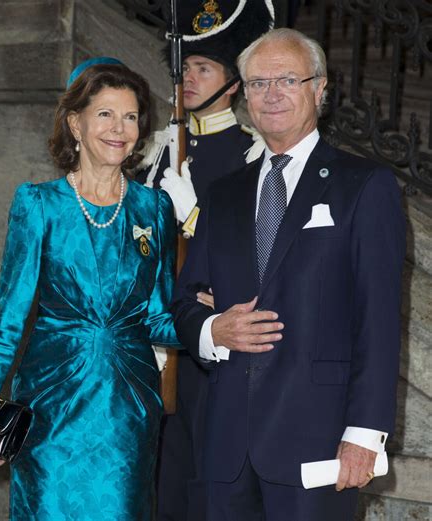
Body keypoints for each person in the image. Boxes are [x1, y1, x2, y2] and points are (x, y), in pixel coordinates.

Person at [172, 28, 406, 521]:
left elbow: (379, 321)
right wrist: (214, 329)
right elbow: (187, 299)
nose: (271, 93)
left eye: (287, 80)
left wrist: (363, 435)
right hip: (225, 446)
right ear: (244, 96)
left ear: (319, 90)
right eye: (258, 83)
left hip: (317, 445)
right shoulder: (225, 193)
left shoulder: (365, 186)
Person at [0, 58, 181, 520]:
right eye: (104, 114)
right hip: (50, 409)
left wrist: (211, 323)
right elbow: (8, 319)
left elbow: (159, 316)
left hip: (127, 412)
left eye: (130, 116)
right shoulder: (38, 204)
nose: (119, 129)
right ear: (75, 123)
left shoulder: (155, 207)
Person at [137, 2, 275, 520]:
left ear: (233, 83)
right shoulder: (156, 149)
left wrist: (192, 214)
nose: (189, 79)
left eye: (204, 68)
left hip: (214, 346)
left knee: (208, 486)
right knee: (156, 482)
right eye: (186, 67)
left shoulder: (252, 152)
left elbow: (259, 249)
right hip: (154, 341)